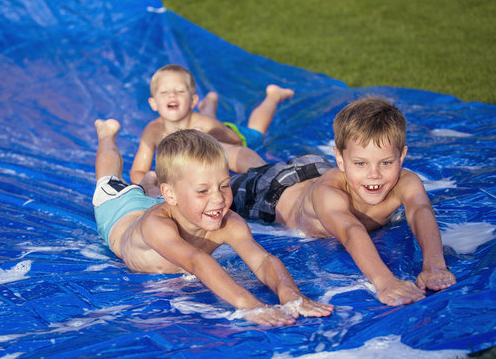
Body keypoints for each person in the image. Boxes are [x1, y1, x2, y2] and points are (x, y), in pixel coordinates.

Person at [93, 119, 333, 326]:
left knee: (159, 196)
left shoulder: (227, 221)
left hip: (167, 202)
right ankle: (106, 136)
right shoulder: (157, 226)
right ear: (172, 195)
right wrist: (250, 305)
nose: (218, 199)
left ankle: (150, 185)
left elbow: (263, 261)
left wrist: (290, 294)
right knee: (108, 179)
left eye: (224, 185)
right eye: (203, 191)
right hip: (120, 211)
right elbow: (197, 262)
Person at [228, 97, 457, 306]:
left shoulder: (406, 181)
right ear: (340, 158)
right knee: (224, 185)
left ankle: (236, 151)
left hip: (317, 168)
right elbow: (350, 230)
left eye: (386, 163)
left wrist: (434, 266)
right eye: (361, 164)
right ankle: (212, 143)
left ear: (402, 156)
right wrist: (385, 281)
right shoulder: (328, 194)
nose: (374, 174)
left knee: (259, 166)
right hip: (275, 191)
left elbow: (421, 211)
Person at [130, 64, 294, 183]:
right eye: (164, 92)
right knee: (200, 127)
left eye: (179, 91)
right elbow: (138, 171)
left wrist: (213, 141)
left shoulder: (207, 125)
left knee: (257, 131)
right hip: (199, 124)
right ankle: (209, 103)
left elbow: (235, 141)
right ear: (153, 103)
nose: (172, 95)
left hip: (228, 135)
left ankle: (273, 96)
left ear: (193, 100)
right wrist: (150, 184)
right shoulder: (153, 131)